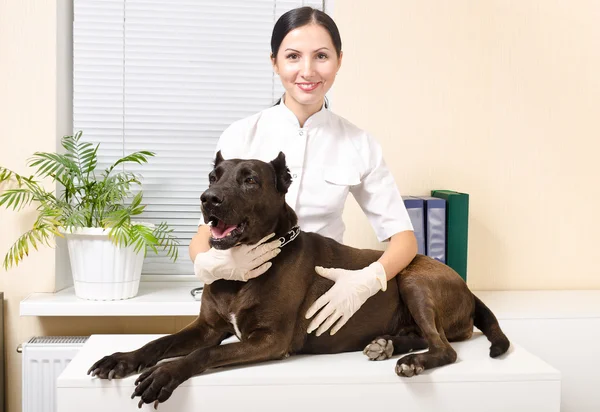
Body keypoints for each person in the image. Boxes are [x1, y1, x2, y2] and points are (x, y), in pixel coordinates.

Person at [189, 6, 417, 337]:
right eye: (293, 56)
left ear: (339, 60)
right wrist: (211, 265)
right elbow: (203, 234)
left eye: (321, 56)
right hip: (245, 294)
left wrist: (367, 280)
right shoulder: (240, 135)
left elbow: (404, 240)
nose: (307, 71)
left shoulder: (358, 143)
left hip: (321, 304)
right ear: (274, 62)